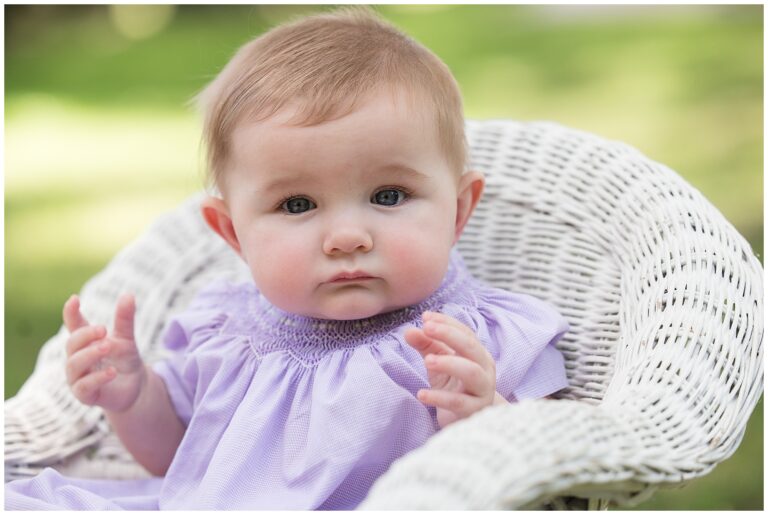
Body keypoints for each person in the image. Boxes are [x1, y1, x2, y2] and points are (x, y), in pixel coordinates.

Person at [5, 7, 569, 510]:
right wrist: (132, 397)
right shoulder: (229, 335)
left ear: (458, 210)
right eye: (298, 204)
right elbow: (175, 458)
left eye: (389, 196)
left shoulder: (470, 338)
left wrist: (484, 413)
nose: (347, 237)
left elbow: (546, 460)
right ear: (232, 233)